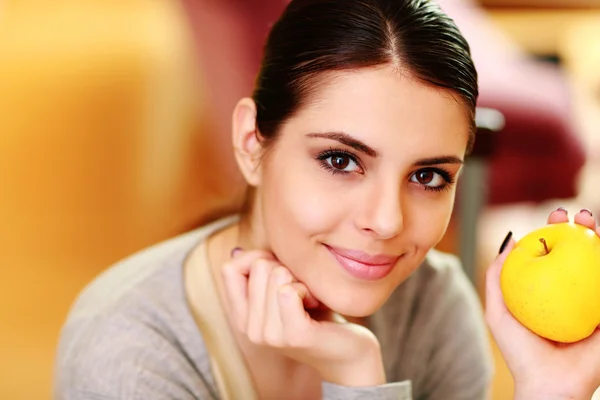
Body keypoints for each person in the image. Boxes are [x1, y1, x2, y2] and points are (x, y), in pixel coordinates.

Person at [53, 0, 600, 399]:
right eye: (340, 160)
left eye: (429, 176)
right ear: (252, 143)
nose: (386, 221)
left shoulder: (432, 306)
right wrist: (357, 377)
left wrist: (550, 392)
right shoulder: (128, 348)